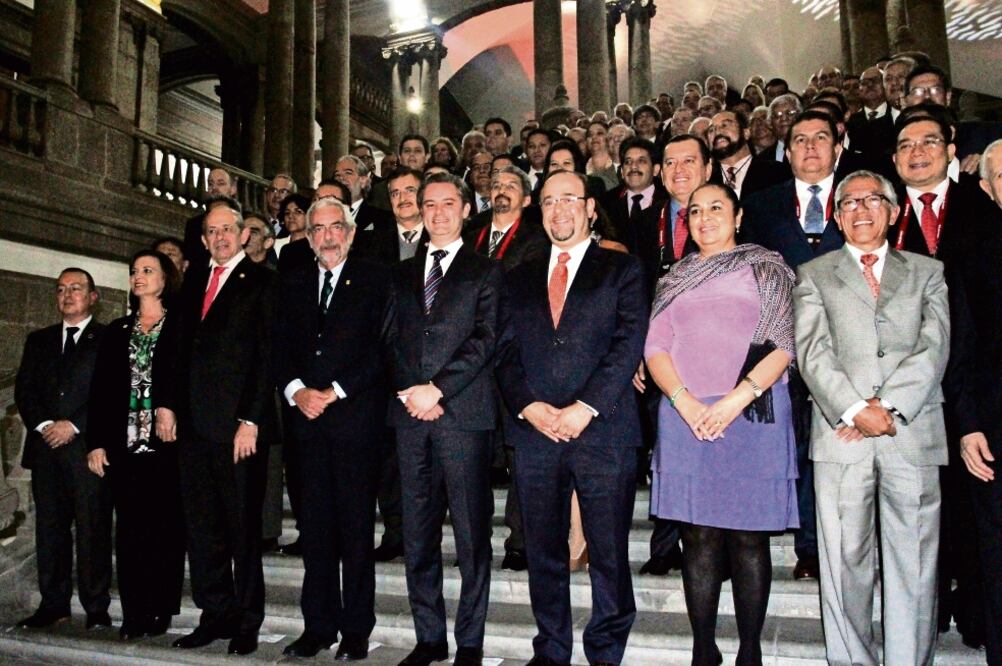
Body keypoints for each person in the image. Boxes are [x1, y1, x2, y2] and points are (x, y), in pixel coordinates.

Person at [793, 169, 950, 666]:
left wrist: (889, 407)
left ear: (894, 209)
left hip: (913, 430)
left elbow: (935, 345)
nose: (860, 210)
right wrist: (857, 409)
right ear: (837, 217)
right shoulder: (813, 274)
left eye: (872, 200)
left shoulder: (929, 272)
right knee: (844, 566)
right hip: (842, 435)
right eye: (849, 203)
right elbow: (811, 351)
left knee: (916, 564)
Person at [495, 170, 648, 666]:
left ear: (588, 208)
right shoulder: (516, 276)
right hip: (535, 432)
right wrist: (529, 405)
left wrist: (585, 407)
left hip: (604, 429)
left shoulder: (621, 269)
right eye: (547, 201)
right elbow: (503, 351)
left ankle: (605, 648)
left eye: (569, 199)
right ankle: (552, 647)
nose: (558, 209)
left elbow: (628, 345)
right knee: (543, 551)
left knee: (607, 552)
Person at [645, 182, 798, 666]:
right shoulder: (674, 278)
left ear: (737, 215)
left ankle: (749, 650)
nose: (705, 217)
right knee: (699, 539)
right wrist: (685, 402)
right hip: (685, 416)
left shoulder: (766, 269)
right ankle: (702, 648)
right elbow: (655, 349)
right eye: (695, 210)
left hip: (752, 414)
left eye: (716, 208)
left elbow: (784, 346)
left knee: (749, 538)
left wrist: (735, 400)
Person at [387, 172, 503, 666]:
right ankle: (429, 636)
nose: (436, 212)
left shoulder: (486, 271)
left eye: (447, 203)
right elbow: (389, 340)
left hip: (462, 416)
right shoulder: (399, 272)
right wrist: (412, 391)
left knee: (472, 534)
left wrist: (438, 388)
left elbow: (485, 339)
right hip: (411, 418)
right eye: (427, 203)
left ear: (465, 209)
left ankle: (470, 642)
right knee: (417, 531)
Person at [275, 197, 392, 660]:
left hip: (355, 423)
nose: (327, 236)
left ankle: (356, 631)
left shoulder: (375, 279)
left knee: (356, 532)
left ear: (350, 231)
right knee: (316, 531)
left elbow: (383, 350)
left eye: (335, 227)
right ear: (307, 236)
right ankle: (317, 627)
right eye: (317, 228)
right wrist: (296, 390)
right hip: (306, 426)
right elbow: (278, 347)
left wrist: (336, 391)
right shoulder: (292, 283)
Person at [160, 204, 279, 655]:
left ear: (243, 234)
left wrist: (251, 420)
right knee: (203, 528)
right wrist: (166, 406)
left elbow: (266, 356)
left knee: (242, 530)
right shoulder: (190, 284)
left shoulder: (263, 281)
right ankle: (216, 614)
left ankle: (247, 620)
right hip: (191, 429)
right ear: (205, 240)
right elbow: (173, 352)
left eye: (228, 229)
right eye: (212, 232)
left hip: (237, 431)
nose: (221, 237)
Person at [741, 109, 847, 581]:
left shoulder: (860, 195)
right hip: (786, 350)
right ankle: (810, 546)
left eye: (820, 138)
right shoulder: (763, 205)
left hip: (853, 349)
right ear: (786, 151)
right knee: (802, 447)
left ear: (837, 147)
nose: (809, 148)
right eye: (799, 140)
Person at [86, 250, 184, 639]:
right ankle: (134, 611)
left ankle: (160, 609)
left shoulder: (180, 325)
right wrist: (96, 443)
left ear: (166, 278)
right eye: (134, 271)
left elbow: (184, 377)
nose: (138, 276)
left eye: (148, 270)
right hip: (124, 445)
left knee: (164, 530)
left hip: (166, 444)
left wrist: (170, 407)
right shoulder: (117, 329)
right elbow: (101, 391)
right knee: (129, 532)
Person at [14, 268, 111, 631]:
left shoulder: (108, 339)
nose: (67, 295)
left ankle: (96, 607)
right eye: (61, 289)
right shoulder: (38, 340)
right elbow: (25, 390)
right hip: (46, 451)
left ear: (93, 296)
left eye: (76, 288)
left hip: (87, 448)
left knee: (93, 530)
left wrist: (73, 425)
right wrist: (43, 426)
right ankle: (53, 604)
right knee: (49, 530)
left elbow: (110, 392)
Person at [946, 138, 1002, 664]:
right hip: (994, 427)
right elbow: (961, 347)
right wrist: (968, 425)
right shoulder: (972, 253)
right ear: (985, 189)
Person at [275, 192, 314, 275]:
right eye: (287, 213)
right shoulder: (276, 245)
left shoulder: (314, 245)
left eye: (298, 212)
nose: (291, 216)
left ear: (309, 216)